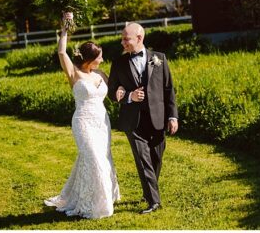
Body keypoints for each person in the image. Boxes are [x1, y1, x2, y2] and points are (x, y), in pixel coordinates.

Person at [44, 12, 121, 219]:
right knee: (92, 157)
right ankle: (94, 204)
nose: (102, 59)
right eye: (99, 57)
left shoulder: (101, 74)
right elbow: (62, 52)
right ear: (89, 59)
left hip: (102, 122)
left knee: (102, 158)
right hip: (83, 122)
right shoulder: (74, 73)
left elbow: (115, 91)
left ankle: (99, 197)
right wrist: (65, 28)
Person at [108, 23, 179, 214]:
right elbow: (111, 92)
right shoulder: (118, 63)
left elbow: (168, 89)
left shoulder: (159, 58)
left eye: (126, 39)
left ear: (139, 38)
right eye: (122, 39)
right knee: (143, 159)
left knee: (156, 159)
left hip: (158, 119)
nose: (122, 42)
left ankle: (149, 192)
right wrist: (129, 96)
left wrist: (173, 116)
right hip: (133, 121)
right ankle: (154, 201)